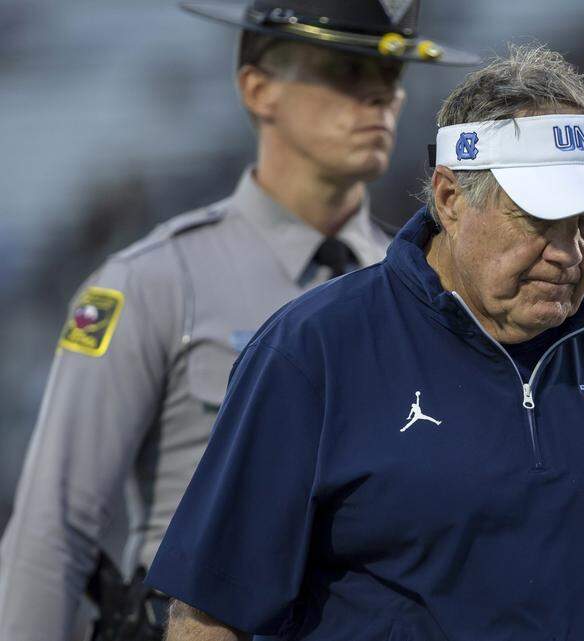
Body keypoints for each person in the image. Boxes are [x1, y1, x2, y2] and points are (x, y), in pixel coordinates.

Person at [145, 44, 584, 641]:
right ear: (450, 198)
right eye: (541, 220)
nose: (568, 254)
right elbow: (210, 614)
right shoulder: (313, 350)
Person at [0, 2, 477, 640]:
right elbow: (53, 531)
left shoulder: (428, 289)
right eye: (344, 70)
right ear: (258, 89)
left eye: (391, 74)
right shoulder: (154, 282)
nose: (380, 96)